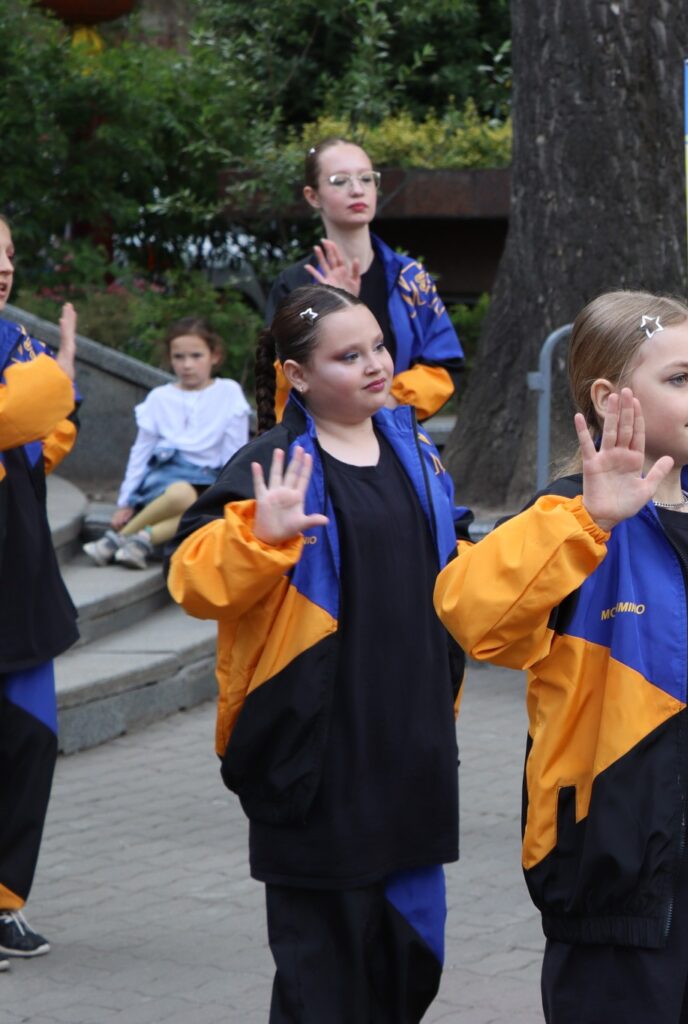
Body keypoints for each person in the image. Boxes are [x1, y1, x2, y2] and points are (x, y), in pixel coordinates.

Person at [433, 290, 688, 1023]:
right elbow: (470, 611)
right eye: (679, 380)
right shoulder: (568, 523)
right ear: (610, 397)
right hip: (616, 884)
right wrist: (589, 517)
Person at [166, 285, 470, 1022]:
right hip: (314, 768)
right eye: (348, 355)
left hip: (412, 759)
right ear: (297, 376)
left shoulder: (415, 449)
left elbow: (455, 566)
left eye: (378, 346)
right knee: (323, 987)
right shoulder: (273, 464)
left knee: (410, 961)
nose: (375, 366)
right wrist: (257, 540)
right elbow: (192, 576)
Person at [0, 214, 79, 969]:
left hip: (19, 588)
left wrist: (58, 385)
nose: (3, 267)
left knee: (29, 743)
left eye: (10, 254)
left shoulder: (17, 347)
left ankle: (4, 901)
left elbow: (44, 431)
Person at [264, 137, 464, 422]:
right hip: (318, 444)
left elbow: (443, 364)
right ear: (313, 196)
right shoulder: (294, 283)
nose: (357, 190)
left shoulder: (409, 278)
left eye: (366, 178)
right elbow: (282, 374)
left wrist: (385, 404)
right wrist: (326, 308)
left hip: (396, 436)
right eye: (339, 180)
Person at [83, 317, 250, 569]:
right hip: (166, 479)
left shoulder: (228, 392)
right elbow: (140, 451)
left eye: (196, 356)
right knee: (182, 494)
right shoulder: (159, 398)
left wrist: (232, 491)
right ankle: (127, 537)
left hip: (209, 480)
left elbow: (235, 451)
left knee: (206, 509)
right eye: (179, 357)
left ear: (214, 356)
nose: (187, 365)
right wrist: (126, 501)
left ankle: (133, 539)